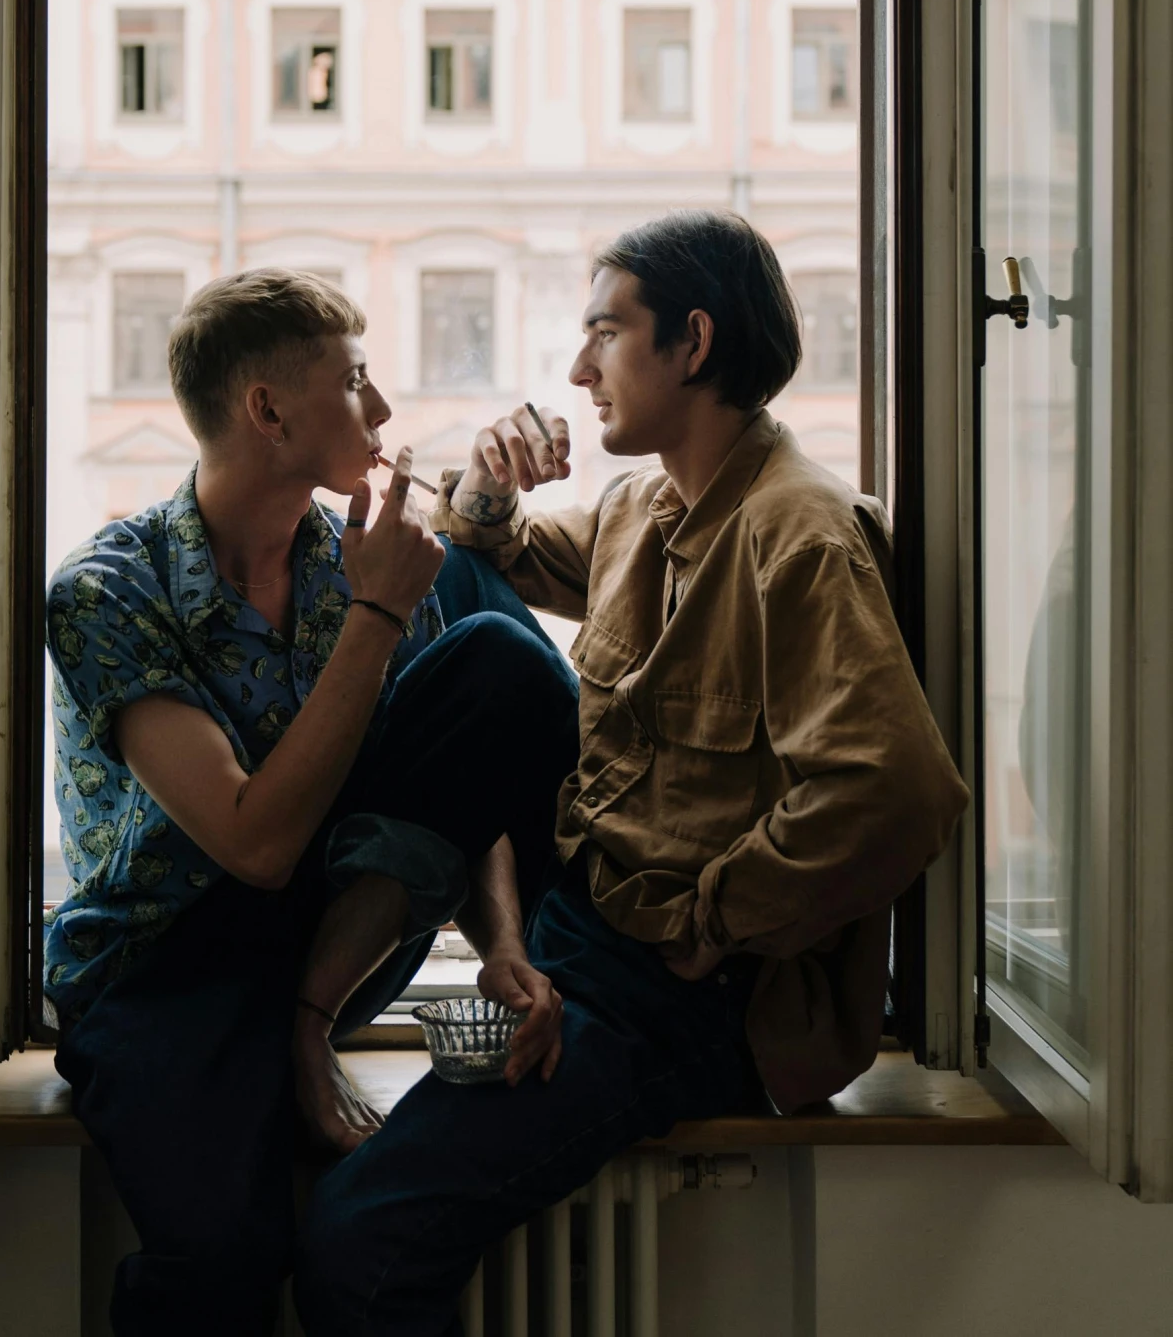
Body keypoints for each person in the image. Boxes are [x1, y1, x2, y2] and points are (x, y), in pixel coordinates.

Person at [297, 210, 969, 1335]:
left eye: (605, 333)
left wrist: (713, 918)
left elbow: (899, 793)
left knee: (355, 1238)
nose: (576, 368)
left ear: (691, 342)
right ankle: (394, 962)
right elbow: (487, 548)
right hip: (588, 912)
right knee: (478, 612)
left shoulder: (797, 535)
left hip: (680, 987)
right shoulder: (644, 505)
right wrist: (496, 485)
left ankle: (340, 964)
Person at [44, 268, 579, 1337]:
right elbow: (252, 843)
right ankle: (294, 1031)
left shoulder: (353, 558)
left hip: (327, 932)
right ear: (268, 410)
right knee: (222, 1258)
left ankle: (307, 1016)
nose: (380, 410)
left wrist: (502, 943)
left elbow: (454, 766)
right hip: (166, 961)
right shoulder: (109, 588)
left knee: (497, 655)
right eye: (356, 379)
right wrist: (380, 606)